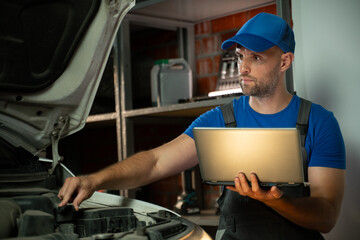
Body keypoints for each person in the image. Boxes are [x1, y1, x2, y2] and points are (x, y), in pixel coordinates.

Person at [58, 12, 346, 239]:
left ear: (285, 61)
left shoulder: (319, 123)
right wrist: (95, 181)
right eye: (240, 56)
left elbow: (326, 215)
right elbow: (156, 162)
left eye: (256, 57)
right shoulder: (220, 120)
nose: (243, 69)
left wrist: (274, 200)